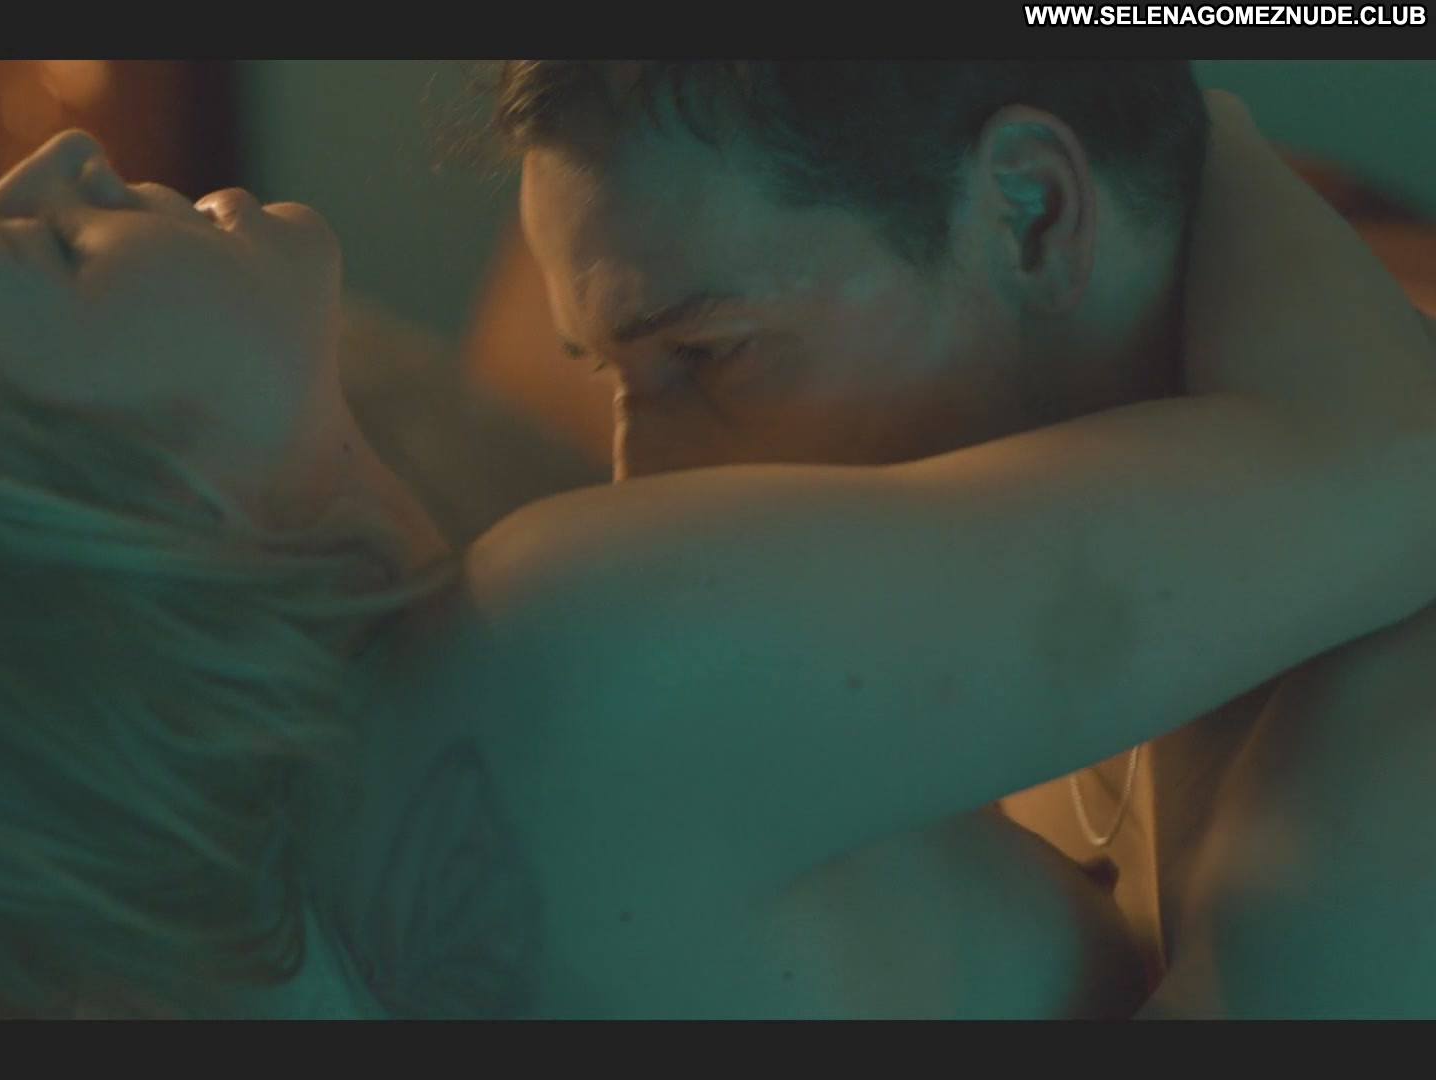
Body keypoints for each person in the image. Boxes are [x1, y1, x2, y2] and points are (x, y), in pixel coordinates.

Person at [0, 98, 1433, 1017]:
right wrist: (1141, 92)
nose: (61, 160)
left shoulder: (262, 936)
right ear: (54, 510)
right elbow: (1389, 465)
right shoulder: (567, 666)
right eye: (30, 248)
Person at [498, 60, 1436, 1004]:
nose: (636, 488)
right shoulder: (938, 607)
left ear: (1033, 214)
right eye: (608, 375)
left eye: (707, 353)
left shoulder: (1364, 815)